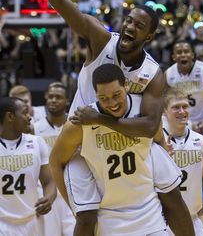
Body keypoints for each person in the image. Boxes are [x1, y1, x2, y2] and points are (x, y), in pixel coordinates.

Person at [49, 0, 166, 234]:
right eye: (128, 20)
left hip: (122, 148)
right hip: (83, 144)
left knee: (161, 199)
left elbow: (150, 126)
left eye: (138, 26)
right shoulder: (101, 40)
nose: (129, 26)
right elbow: (59, 0)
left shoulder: (153, 73)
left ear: (149, 37)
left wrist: (99, 118)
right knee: (86, 221)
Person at [50, 64, 195, 236]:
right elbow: (55, 161)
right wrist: (74, 207)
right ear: (95, 94)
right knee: (84, 215)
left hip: (149, 213)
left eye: (116, 95)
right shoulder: (80, 123)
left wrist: (165, 157)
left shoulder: (144, 110)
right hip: (108, 218)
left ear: (126, 85)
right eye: (103, 98)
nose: (112, 103)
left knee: (170, 188)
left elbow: (157, 137)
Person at [162, 88, 203, 236]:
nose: (182, 111)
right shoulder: (157, 143)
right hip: (162, 222)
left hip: (192, 219)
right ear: (164, 112)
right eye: (176, 107)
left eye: (185, 106)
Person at [0, 97, 57, 236]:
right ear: (10, 116)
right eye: (25, 113)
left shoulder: (37, 143)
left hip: (32, 221)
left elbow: (49, 181)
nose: (30, 117)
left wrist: (49, 198)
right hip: (2, 223)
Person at [34, 82, 75, 235]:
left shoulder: (74, 126)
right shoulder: (35, 128)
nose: (53, 100)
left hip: (72, 190)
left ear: (67, 101)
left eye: (58, 97)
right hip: (48, 193)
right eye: (50, 96)